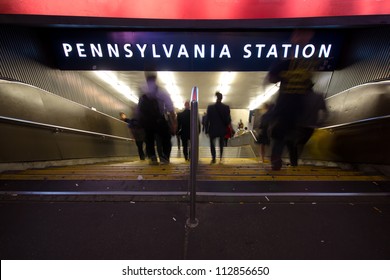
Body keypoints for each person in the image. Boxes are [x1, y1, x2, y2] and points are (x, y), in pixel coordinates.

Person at [265, 29, 317, 170]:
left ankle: (278, 157)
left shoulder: (290, 61)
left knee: (282, 133)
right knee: (288, 134)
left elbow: (271, 77)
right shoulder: (304, 61)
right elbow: (309, 83)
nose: (305, 38)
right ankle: (288, 161)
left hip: (287, 104)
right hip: (295, 105)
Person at [137, 71, 177, 165]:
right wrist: (174, 123)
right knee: (166, 138)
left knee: (149, 139)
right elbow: (170, 108)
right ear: (155, 78)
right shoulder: (161, 91)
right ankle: (165, 157)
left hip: (147, 121)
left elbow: (139, 108)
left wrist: (139, 121)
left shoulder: (142, 89)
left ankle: (152, 157)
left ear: (146, 78)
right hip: (159, 120)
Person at [205, 91, 231, 164]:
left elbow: (207, 119)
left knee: (212, 144)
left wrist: (206, 130)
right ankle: (221, 158)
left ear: (216, 98)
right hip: (222, 129)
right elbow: (228, 120)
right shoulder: (226, 107)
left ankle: (213, 158)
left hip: (212, 129)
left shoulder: (210, 108)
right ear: (222, 98)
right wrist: (226, 126)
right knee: (221, 143)